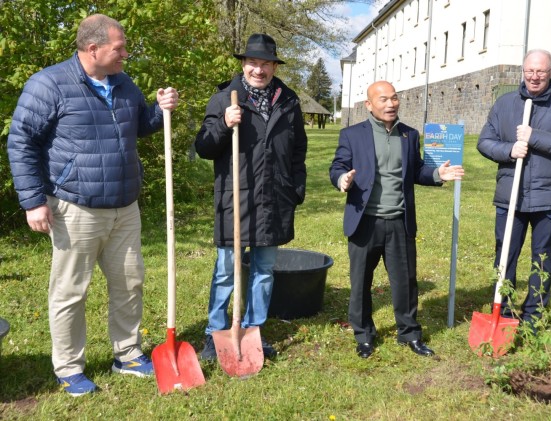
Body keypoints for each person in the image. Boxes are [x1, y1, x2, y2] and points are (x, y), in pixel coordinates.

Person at [7, 14, 179, 396]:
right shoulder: (49, 84)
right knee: (70, 291)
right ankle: (69, 368)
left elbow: (141, 125)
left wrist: (159, 108)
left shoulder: (123, 82)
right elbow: (21, 142)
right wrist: (34, 201)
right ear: (93, 49)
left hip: (124, 206)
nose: (125, 54)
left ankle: (128, 354)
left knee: (130, 283)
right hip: (75, 207)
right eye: (119, 48)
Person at [329, 81, 464, 359]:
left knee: (405, 282)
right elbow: (338, 166)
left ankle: (410, 334)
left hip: (399, 222)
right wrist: (342, 178)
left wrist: (438, 174)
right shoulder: (352, 135)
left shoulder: (409, 135)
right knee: (361, 282)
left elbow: (416, 171)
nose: (390, 104)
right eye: (383, 100)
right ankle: (364, 335)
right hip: (364, 222)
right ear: (369, 105)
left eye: (394, 98)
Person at [195, 34, 307, 361]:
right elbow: (203, 147)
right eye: (253, 63)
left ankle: (254, 329)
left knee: (264, 270)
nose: (259, 69)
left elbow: (298, 148)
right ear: (243, 64)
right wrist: (223, 125)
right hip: (236, 198)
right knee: (226, 270)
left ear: (274, 66)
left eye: (265, 63)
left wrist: (296, 185)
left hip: (275, 197)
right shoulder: (224, 99)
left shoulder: (288, 100)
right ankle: (214, 332)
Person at [477, 49, 551, 331]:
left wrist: (534, 137)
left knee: (542, 258)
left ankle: (534, 316)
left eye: (541, 71)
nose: (534, 77)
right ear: (522, 71)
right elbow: (485, 142)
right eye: (529, 71)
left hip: (549, 198)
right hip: (510, 197)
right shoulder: (505, 104)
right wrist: (509, 150)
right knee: (505, 255)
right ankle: (504, 311)